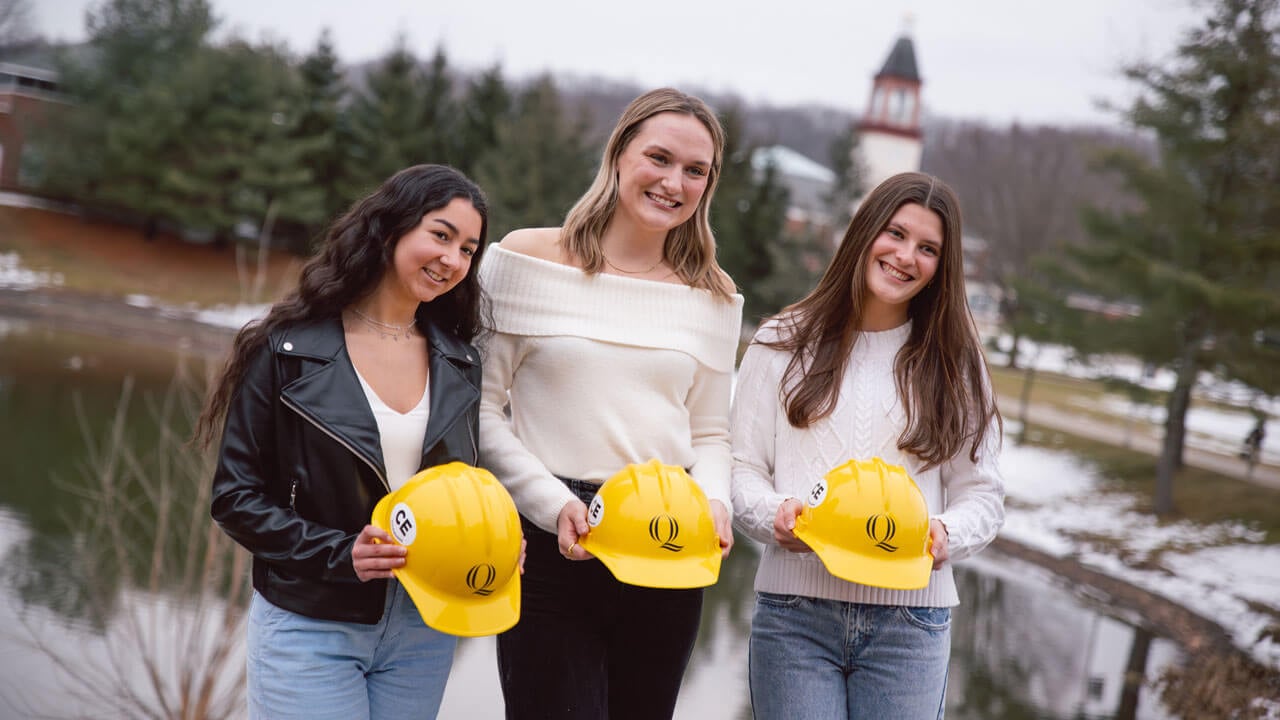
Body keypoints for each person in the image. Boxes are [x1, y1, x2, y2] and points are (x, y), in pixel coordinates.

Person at [477, 87, 744, 719]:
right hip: (551, 545)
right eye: (659, 157)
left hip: (670, 545)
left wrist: (715, 502)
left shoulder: (713, 293)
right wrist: (552, 505)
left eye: (695, 170)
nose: (673, 181)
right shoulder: (524, 258)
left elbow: (710, 433)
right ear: (620, 154)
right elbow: (481, 411)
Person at [194, 164, 491, 720]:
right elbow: (235, 498)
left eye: (469, 249)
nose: (453, 260)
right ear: (390, 230)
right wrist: (339, 554)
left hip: (423, 628)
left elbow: (463, 491)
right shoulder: (287, 350)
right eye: (441, 235)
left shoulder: (462, 362)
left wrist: (492, 540)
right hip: (312, 620)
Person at [731, 172, 1005, 719]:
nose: (907, 256)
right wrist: (774, 516)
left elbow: (983, 494)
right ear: (864, 233)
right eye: (896, 234)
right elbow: (742, 471)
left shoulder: (956, 364)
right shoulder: (781, 342)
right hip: (794, 616)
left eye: (928, 249)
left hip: (911, 625)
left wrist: (943, 534)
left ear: (941, 269)